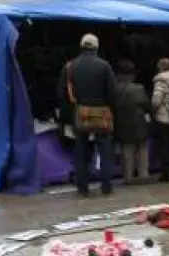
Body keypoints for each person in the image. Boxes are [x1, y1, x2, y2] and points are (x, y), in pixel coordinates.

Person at [60, 34, 118, 196]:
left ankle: (82, 187)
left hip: (80, 112)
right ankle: (106, 186)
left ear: (81, 47)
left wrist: (67, 116)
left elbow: (63, 93)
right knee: (105, 149)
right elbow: (113, 93)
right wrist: (108, 108)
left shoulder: (70, 67)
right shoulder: (104, 66)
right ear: (96, 48)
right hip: (101, 112)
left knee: (81, 149)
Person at [113, 59, 151, 184]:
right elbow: (146, 105)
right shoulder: (138, 88)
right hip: (138, 122)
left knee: (126, 150)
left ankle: (128, 177)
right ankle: (143, 175)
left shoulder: (114, 89)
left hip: (121, 123)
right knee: (142, 149)